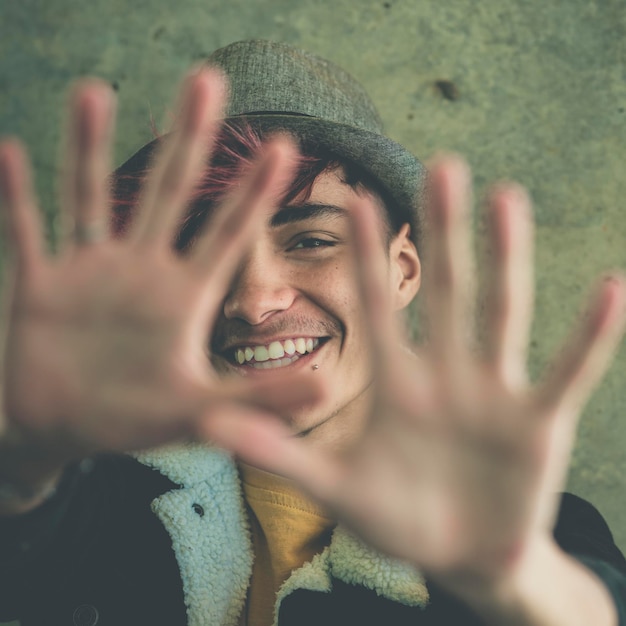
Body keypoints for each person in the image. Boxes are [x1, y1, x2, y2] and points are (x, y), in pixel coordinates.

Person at [0, 39, 625, 626]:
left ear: (402, 269)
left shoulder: (522, 531)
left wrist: (525, 585)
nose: (253, 301)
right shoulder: (94, 499)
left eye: (313, 241)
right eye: (208, 258)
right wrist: (20, 464)